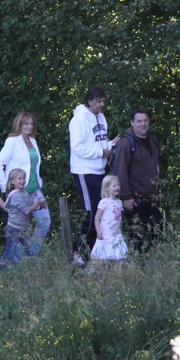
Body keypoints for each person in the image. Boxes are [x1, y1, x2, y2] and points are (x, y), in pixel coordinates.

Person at [0, 111, 52, 256]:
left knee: (44, 221)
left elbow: (34, 166)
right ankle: (18, 261)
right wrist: (4, 185)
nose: (29, 126)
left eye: (31, 124)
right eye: (26, 124)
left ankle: (30, 254)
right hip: (19, 191)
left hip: (35, 188)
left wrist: (39, 183)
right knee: (19, 227)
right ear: (19, 125)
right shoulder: (12, 141)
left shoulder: (33, 141)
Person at [109, 107, 163, 253]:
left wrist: (160, 190)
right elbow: (120, 171)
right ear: (132, 123)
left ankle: (154, 264)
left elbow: (158, 166)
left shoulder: (152, 140)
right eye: (139, 121)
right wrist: (126, 197)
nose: (143, 124)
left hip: (153, 197)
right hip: (135, 199)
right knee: (138, 238)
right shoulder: (126, 143)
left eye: (145, 121)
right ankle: (137, 264)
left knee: (156, 235)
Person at [68, 86, 112, 259]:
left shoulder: (101, 117)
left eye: (103, 101)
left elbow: (99, 141)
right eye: (99, 101)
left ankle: (93, 252)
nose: (102, 105)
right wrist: (101, 153)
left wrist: (111, 145)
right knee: (94, 212)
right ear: (90, 101)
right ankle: (77, 251)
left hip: (99, 170)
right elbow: (77, 147)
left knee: (102, 210)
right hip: (84, 171)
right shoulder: (79, 119)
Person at [0, 169, 43, 265]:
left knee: (29, 248)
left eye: (24, 178)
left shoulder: (24, 193)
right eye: (20, 178)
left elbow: (29, 203)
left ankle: (31, 265)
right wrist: (36, 204)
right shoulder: (15, 195)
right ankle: (2, 265)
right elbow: (26, 210)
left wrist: (40, 205)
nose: (23, 180)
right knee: (10, 250)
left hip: (24, 228)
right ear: (12, 181)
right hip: (14, 228)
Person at [90, 175, 128, 262]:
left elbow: (119, 219)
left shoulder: (119, 202)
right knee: (103, 256)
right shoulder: (104, 202)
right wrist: (98, 231)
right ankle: (102, 269)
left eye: (118, 185)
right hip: (106, 233)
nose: (117, 187)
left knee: (119, 255)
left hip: (116, 233)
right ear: (107, 188)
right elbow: (97, 218)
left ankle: (116, 269)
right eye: (114, 186)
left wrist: (120, 231)